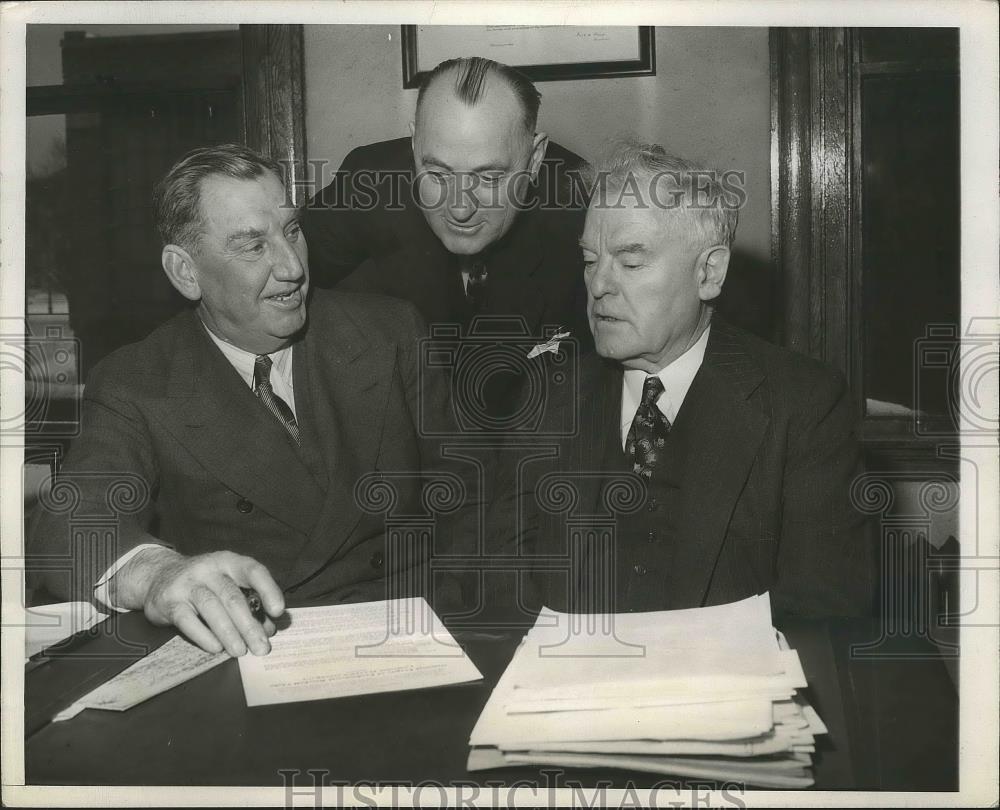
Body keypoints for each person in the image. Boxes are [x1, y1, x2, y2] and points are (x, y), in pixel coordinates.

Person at [28, 144, 473, 656]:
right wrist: (158, 575)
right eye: (252, 246)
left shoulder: (390, 331)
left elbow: (475, 498)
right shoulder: (138, 381)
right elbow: (67, 524)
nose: (292, 268)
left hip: (418, 635)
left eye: (293, 231)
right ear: (186, 272)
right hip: (259, 653)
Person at [496, 141, 874, 619]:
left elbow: (828, 604)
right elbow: (500, 590)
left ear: (709, 273)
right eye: (591, 260)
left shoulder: (802, 405)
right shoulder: (547, 397)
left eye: (630, 263)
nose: (598, 285)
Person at [302, 56, 592, 425]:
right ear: (413, 144)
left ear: (535, 159)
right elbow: (273, 283)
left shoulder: (582, 213)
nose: (458, 209)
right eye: (437, 173)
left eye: (488, 178)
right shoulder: (368, 185)